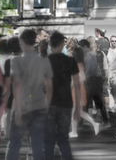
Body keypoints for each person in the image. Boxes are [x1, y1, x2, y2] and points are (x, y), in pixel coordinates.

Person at [5, 29, 53, 160]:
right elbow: (49, 88)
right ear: (34, 42)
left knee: (14, 143)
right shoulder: (44, 62)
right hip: (39, 105)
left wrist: (19, 112)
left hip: (23, 106)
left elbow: (17, 86)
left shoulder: (16, 61)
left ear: (22, 42)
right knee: (37, 144)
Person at [44, 31, 80, 160]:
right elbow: (77, 85)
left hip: (50, 104)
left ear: (50, 44)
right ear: (62, 44)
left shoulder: (46, 62)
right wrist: (78, 108)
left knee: (49, 139)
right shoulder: (70, 61)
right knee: (63, 138)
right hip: (66, 103)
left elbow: (46, 88)